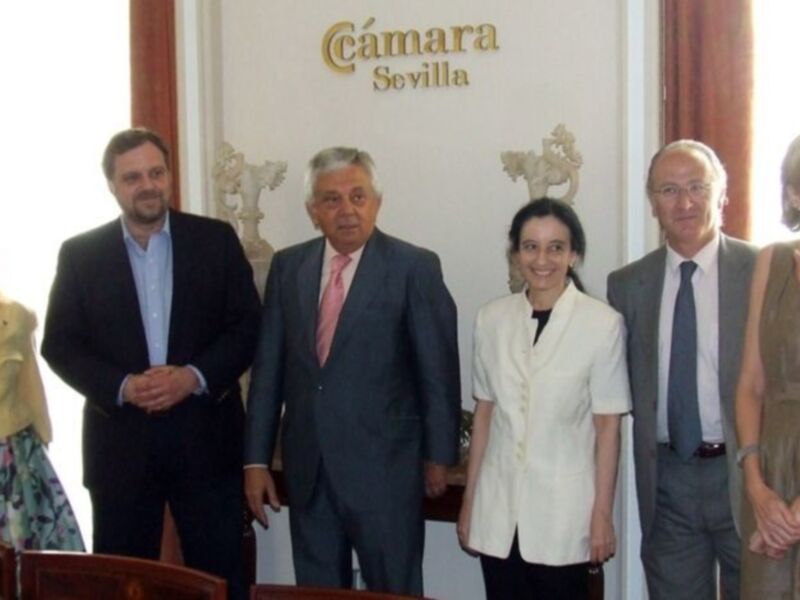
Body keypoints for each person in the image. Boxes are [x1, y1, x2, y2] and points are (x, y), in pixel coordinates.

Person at [41, 128, 261, 600]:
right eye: (132, 177)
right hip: (121, 446)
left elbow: (247, 327)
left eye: (156, 173)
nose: (147, 185)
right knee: (124, 581)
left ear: (169, 176)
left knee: (222, 577)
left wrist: (192, 377)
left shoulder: (216, 240)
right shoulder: (81, 255)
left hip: (207, 441)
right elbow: (59, 344)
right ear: (113, 186)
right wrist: (122, 385)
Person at [243, 146, 461, 596]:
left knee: (393, 590)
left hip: (387, 471)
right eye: (332, 199)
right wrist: (256, 459)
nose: (347, 210)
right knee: (318, 591)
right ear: (312, 211)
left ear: (376, 202)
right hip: (309, 469)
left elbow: (437, 369)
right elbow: (268, 370)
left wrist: (439, 455)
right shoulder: (288, 267)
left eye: (358, 197)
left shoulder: (413, 267)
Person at [457, 198, 631, 599]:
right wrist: (470, 501)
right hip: (497, 510)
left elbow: (608, 428)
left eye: (556, 247)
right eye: (530, 246)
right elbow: (485, 414)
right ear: (516, 254)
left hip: (564, 514)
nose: (542, 259)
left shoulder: (602, 324)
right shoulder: (491, 320)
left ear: (573, 255)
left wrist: (602, 514)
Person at [607, 139, 758, 600]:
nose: (685, 202)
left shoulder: (762, 272)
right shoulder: (627, 285)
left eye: (697, 186)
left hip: (748, 476)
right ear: (653, 202)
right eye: (669, 190)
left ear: (722, 193)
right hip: (668, 479)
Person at [736, 133, 800, 598]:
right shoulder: (770, 262)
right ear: (794, 193)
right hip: (772, 470)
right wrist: (756, 485)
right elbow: (750, 385)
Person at [0, 293, 84, 552]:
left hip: (11, 468)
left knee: (27, 575)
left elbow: (32, 391)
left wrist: (43, 441)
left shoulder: (15, 316)